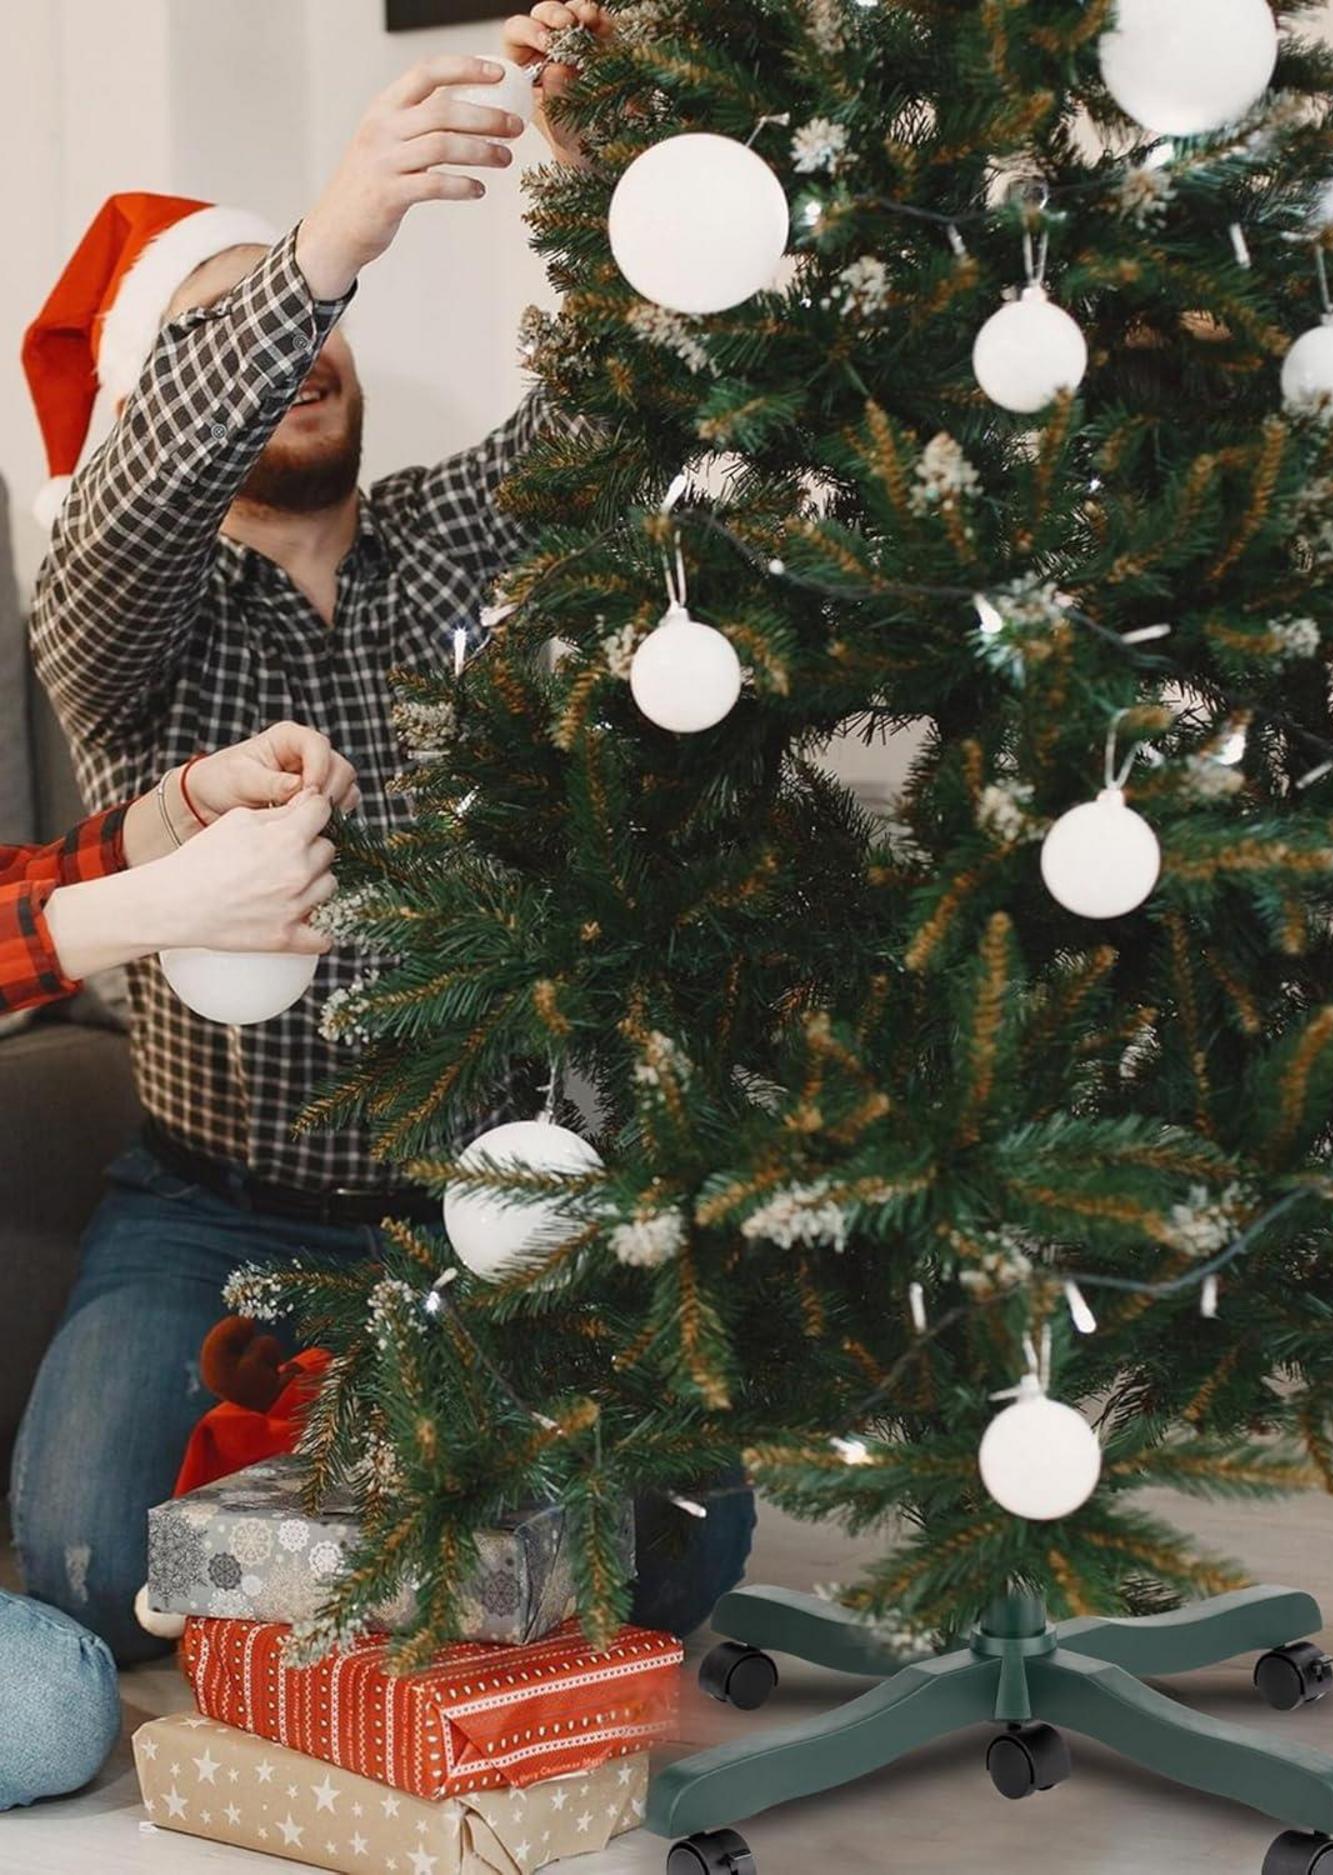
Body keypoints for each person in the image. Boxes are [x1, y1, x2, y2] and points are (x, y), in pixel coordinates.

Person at [18, 2, 752, 1663]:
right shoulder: (122, 626)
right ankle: (339, 1485)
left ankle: (366, 1491)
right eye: (229, 339)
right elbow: (123, 513)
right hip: (211, 1206)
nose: (296, 355)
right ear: (171, 401)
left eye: (301, 328)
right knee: (78, 1566)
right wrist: (326, 240)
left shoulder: (454, 535)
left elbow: (626, 386)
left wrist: (593, 163)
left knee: (684, 1554)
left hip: (484, 1196)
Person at [0, 721, 349, 1808]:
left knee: (51, 1708)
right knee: (61, 1682)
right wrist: (165, 908)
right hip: (199, 1195)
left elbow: (28, 887)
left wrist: (180, 811)